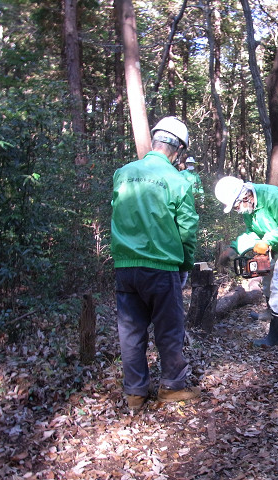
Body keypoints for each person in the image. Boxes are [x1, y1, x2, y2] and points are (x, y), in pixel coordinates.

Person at [111, 116, 201, 411]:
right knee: (169, 329)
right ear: (178, 151)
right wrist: (185, 266)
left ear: (155, 141)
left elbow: (118, 212)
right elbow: (187, 229)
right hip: (161, 268)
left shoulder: (123, 173)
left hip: (125, 267)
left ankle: (135, 393)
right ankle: (171, 387)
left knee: (131, 332)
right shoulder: (177, 180)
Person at [214, 176, 278, 348]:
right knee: (266, 280)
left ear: (245, 195)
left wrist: (268, 241)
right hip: (271, 244)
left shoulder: (272, 195)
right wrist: (234, 248)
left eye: (236, 205)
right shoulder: (249, 208)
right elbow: (253, 232)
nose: (237, 210)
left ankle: (275, 337)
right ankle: (269, 312)